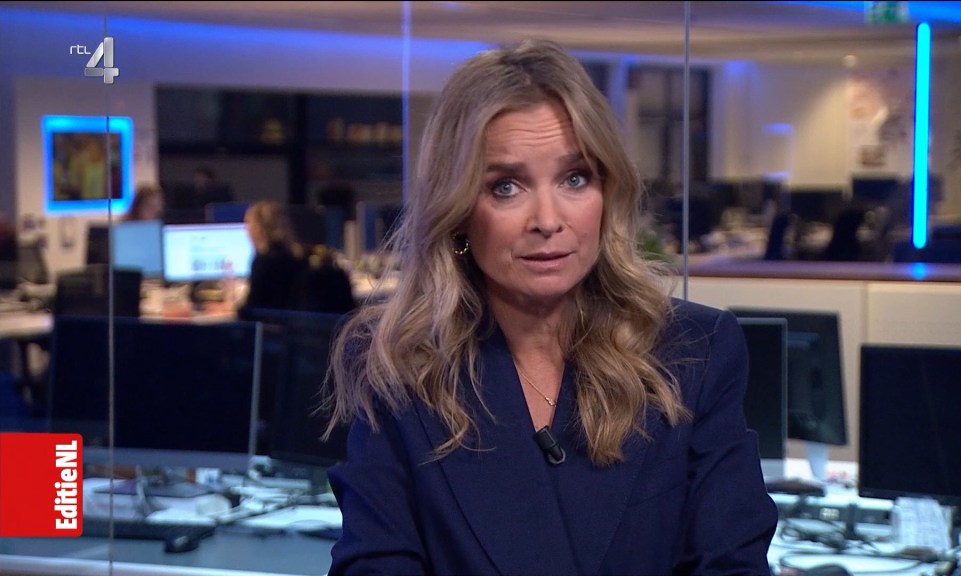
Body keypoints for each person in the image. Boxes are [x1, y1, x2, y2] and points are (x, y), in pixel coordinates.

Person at [320, 38, 778, 575]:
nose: (548, 220)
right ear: (458, 210)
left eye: (574, 179)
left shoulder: (693, 352)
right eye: (506, 187)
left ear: (607, 192)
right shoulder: (398, 366)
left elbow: (732, 563)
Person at [235, 200, 306, 320]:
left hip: (268, 326)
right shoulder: (297, 257)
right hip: (292, 325)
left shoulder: (264, 261)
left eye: (248, 224)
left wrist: (234, 309)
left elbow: (252, 308)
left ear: (258, 228)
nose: (246, 230)